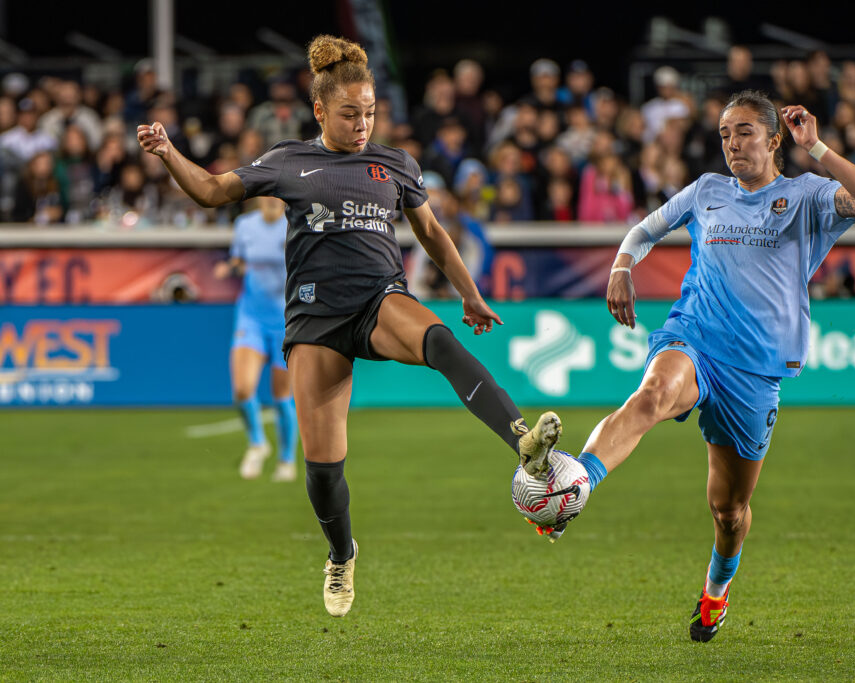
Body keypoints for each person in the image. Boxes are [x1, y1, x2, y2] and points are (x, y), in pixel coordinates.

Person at [137, 34, 561, 619]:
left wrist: (469, 295)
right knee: (323, 470)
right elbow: (211, 191)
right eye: (349, 114)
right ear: (319, 111)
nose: (362, 124)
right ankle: (341, 554)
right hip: (314, 322)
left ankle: (522, 440)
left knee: (438, 339)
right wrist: (167, 152)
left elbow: (434, 234)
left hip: (378, 300)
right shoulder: (288, 161)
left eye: (369, 113)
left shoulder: (395, 165)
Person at [561, 90, 855, 643]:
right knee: (652, 395)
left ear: (774, 138)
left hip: (755, 370)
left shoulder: (806, 195)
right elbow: (645, 229)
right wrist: (622, 266)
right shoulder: (707, 191)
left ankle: (716, 590)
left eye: (743, 132)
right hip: (695, 337)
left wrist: (820, 149)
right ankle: (576, 484)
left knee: (729, 510)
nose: (732, 144)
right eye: (724, 134)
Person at [213, 196, 299, 482]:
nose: (273, 199)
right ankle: (258, 443)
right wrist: (230, 267)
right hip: (250, 315)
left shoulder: (295, 224)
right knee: (241, 388)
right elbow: (239, 259)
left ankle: (286, 460)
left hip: (286, 320)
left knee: (281, 394)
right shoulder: (245, 225)